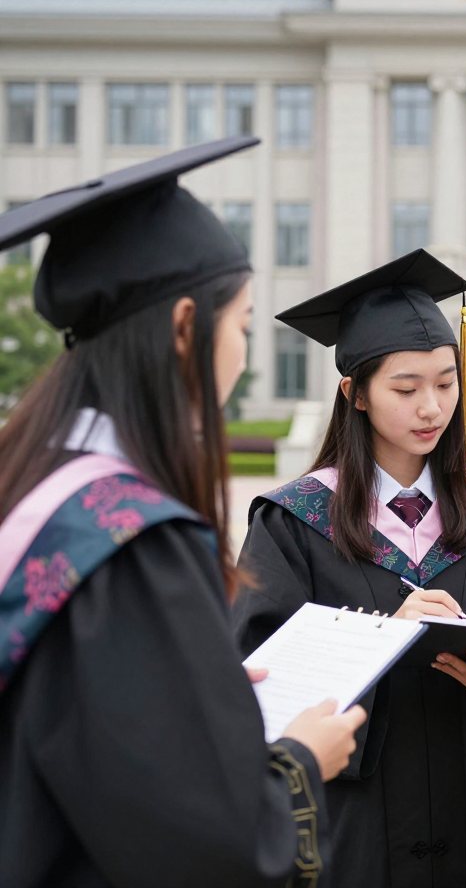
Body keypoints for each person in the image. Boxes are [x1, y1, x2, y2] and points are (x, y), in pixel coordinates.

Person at [0, 139, 366, 888]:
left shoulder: (31, 479)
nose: (242, 355)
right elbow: (209, 848)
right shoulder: (133, 544)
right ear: (183, 325)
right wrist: (300, 760)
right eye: (243, 326)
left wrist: (201, 691)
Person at [232, 249, 466, 888]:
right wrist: (379, 635)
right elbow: (259, 674)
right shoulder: (293, 523)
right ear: (354, 393)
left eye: (446, 383)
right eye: (406, 389)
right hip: (350, 828)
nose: (432, 408)